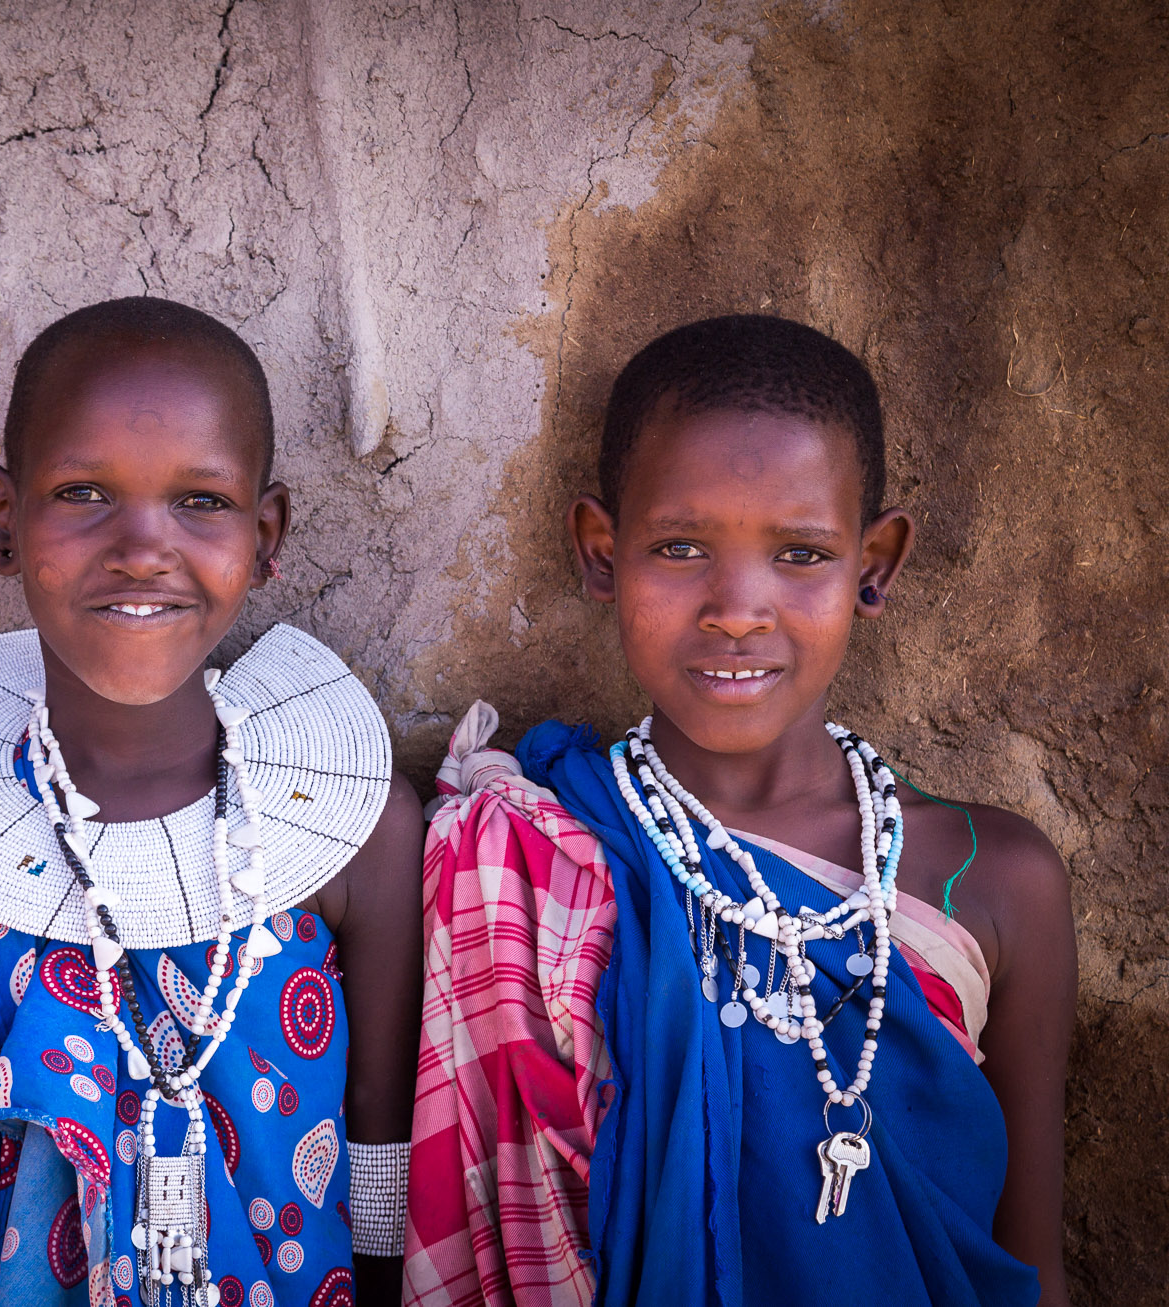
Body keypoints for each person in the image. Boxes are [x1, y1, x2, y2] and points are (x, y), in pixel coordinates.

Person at [404, 315, 1075, 1307]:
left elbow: (1031, 1262)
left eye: (800, 553)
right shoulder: (525, 858)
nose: (736, 605)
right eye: (678, 546)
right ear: (600, 552)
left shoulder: (996, 880)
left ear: (874, 564)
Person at [0, 297, 425, 1307]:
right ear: (0, 522)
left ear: (266, 530)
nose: (143, 545)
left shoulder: (352, 831)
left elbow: (378, 1154)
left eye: (199, 500)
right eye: (82, 491)